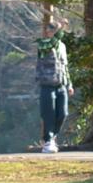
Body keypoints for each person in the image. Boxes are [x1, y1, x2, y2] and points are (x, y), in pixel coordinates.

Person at [37, 24, 74, 154]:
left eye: (55, 30)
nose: (52, 32)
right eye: (51, 30)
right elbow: (51, 44)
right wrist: (62, 27)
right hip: (47, 84)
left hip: (61, 85)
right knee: (48, 114)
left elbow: (65, 67)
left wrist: (69, 84)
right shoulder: (42, 44)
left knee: (63, 113)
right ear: (47, 32)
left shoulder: (62, 46)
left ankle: (52, 136)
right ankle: (47, 141)